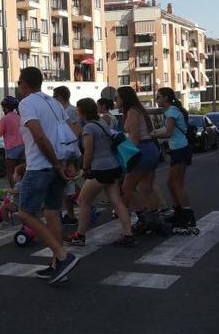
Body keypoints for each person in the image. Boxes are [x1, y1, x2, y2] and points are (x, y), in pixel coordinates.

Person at [16, 67, 80, 285]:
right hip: (58, 166)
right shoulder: (55, 103)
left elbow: (39, 137)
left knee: (25, 214)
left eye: (18, 84)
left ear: (24, 84)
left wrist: (55, 163)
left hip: (41, 167)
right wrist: (67, 163)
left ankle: (63, 256)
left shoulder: (26, 103)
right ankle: (57, 265)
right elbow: (74, 133)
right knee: (53, 212)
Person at [66, 98, 134, 246]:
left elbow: (89, 151)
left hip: (100, 168)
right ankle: (128, 234)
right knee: (117, 202)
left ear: (82, 111)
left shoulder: (89, 128)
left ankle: (80, 235)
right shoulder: (102, 122)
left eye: (78, 109)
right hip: (113, 166)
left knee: (83, 201)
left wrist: (85, 168)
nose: (76, 112)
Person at [151, 88, 197, 232]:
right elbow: (166, 129)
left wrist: (152, 136)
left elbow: (168, 132)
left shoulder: (172, 112)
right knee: (171, 183)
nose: (157, 99)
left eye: (158, 97)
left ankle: (188, 216)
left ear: (165, 98)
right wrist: (154, 132)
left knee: (177, 184)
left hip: (180, 149)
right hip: (177, 149)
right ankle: (179, 212)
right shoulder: (170, 111)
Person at [116, 86, 160, 227]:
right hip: (150, 149)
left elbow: (134, 138)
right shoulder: (139, 110)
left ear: (124, 98)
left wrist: (126, 159)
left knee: (127, 188)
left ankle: (144, 218)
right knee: (146, 188)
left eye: (117, 97)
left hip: (141, 150)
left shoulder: (132, 112)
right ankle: (153, 218)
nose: (115, 100)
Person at [52, 86, 85, 225]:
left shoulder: (70, 111)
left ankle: (76, 211)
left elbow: (77, 130)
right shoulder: (65, 110)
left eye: (54, 96)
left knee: (68, 183)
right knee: (68, 183)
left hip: (69, 152)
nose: (53, 99)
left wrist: (70, 147)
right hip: (68, 151)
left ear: (60, 97)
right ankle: (73, 212)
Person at [0, 96, 25, 187]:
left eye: (3, 107)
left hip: (12, 148)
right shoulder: (19, 118)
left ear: (6, 107)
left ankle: (14, 191)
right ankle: (22, 190)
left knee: (10, 172)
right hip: (23, 147)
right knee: (21, 172)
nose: (3, 109)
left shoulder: (4, 119)